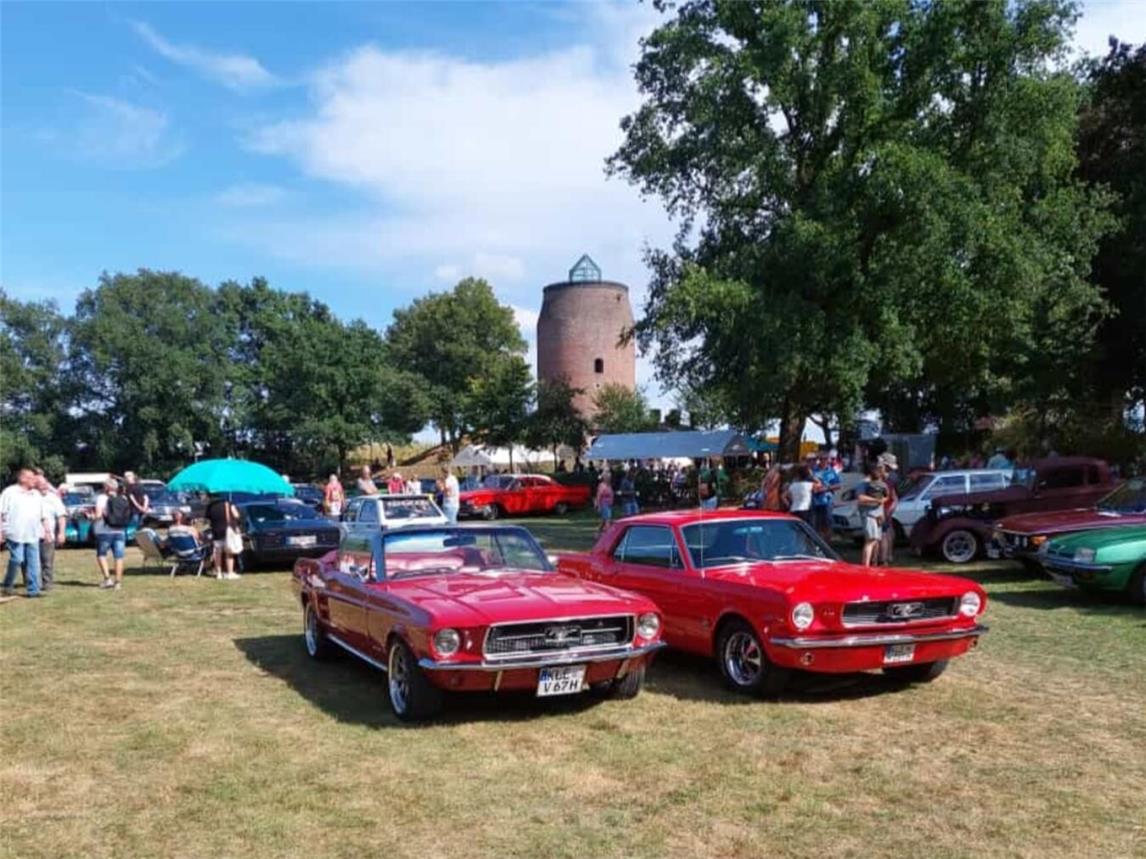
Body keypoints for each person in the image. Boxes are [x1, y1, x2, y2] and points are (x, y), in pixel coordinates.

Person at [0, 468, 51, 598]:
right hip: (14, 533)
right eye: (32, 478)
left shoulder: (36, 495)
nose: (35, 480)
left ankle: (33, 590)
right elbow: (1, 513)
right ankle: (7, 584)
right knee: (17, 559)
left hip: (33, 534)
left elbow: (43, 515)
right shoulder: (9, 492)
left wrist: (47, 531)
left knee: (34, 562)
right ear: (22, 478)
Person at [93, 478, 133, 590]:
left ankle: (107, 579)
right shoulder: (123, 498)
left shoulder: (102, 498)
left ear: (106, 487)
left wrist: (91, 518)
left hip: (104, 531)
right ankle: (118, 582)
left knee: (101, 555)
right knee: (119, 557)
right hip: (120, 531)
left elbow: (98, 515)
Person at [37, 476, 67, 593]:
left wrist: (62, 533)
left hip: (47, 536)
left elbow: (61, 516)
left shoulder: (53, 498)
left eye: (45, 483)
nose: (44, 486)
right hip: (29, 535)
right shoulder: (30, 497)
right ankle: (32, 583)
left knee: (47, 561)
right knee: (28, 561)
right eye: (41, 483)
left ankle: (47, 584)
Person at [857, 463, 889, 567]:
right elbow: (861, 499)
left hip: (878, 515)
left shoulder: (881, 484)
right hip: (869, 514)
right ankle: (865, 566)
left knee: (876, 541)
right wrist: (876, 500)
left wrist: (882, 512)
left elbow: (885, 497)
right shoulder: (863, 484)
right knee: (870, 540)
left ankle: (873, 563)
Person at [205, 494, 242, 581]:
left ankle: (219, 573)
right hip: (227, 531)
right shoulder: (228, 504)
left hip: (216, 531)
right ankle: (230, 572)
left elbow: (208, 518)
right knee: (229, 552)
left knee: (217, 553)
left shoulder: (210, 506)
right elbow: (236, 515)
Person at [812, 453, 841, 539]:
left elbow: (838, 485)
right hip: (815, 501)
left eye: (825, 459)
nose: (823, 461)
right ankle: (817, 542)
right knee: (816, 524)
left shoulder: (832, 471)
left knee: (828, 523)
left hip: (827, 501)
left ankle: (827, 543)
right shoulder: (814, 471)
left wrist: (826, 488)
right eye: (821, 459)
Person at [877, 452, 900, 565]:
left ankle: (884, 558)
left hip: (885, 507)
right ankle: (888, 555)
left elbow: (892, 496)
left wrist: (889, 509)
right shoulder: (892, 476)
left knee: (883, 533)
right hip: (888, 506)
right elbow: (895, 496)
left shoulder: (889, 478)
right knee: (888, 530)